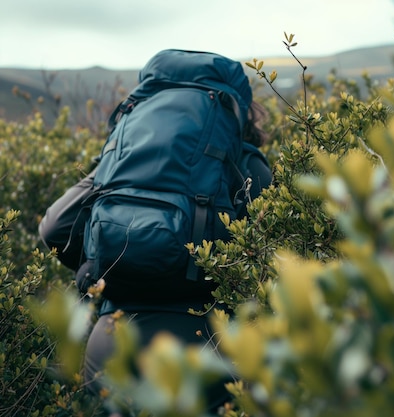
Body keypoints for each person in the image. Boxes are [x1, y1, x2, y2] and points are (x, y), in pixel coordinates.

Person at [39, 57, 272, 413]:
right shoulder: (245, 163)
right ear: (236, 112)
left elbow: (54, 228)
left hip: (112, 343)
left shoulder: (119, 160)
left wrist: (99, 267)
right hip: (203, 348)